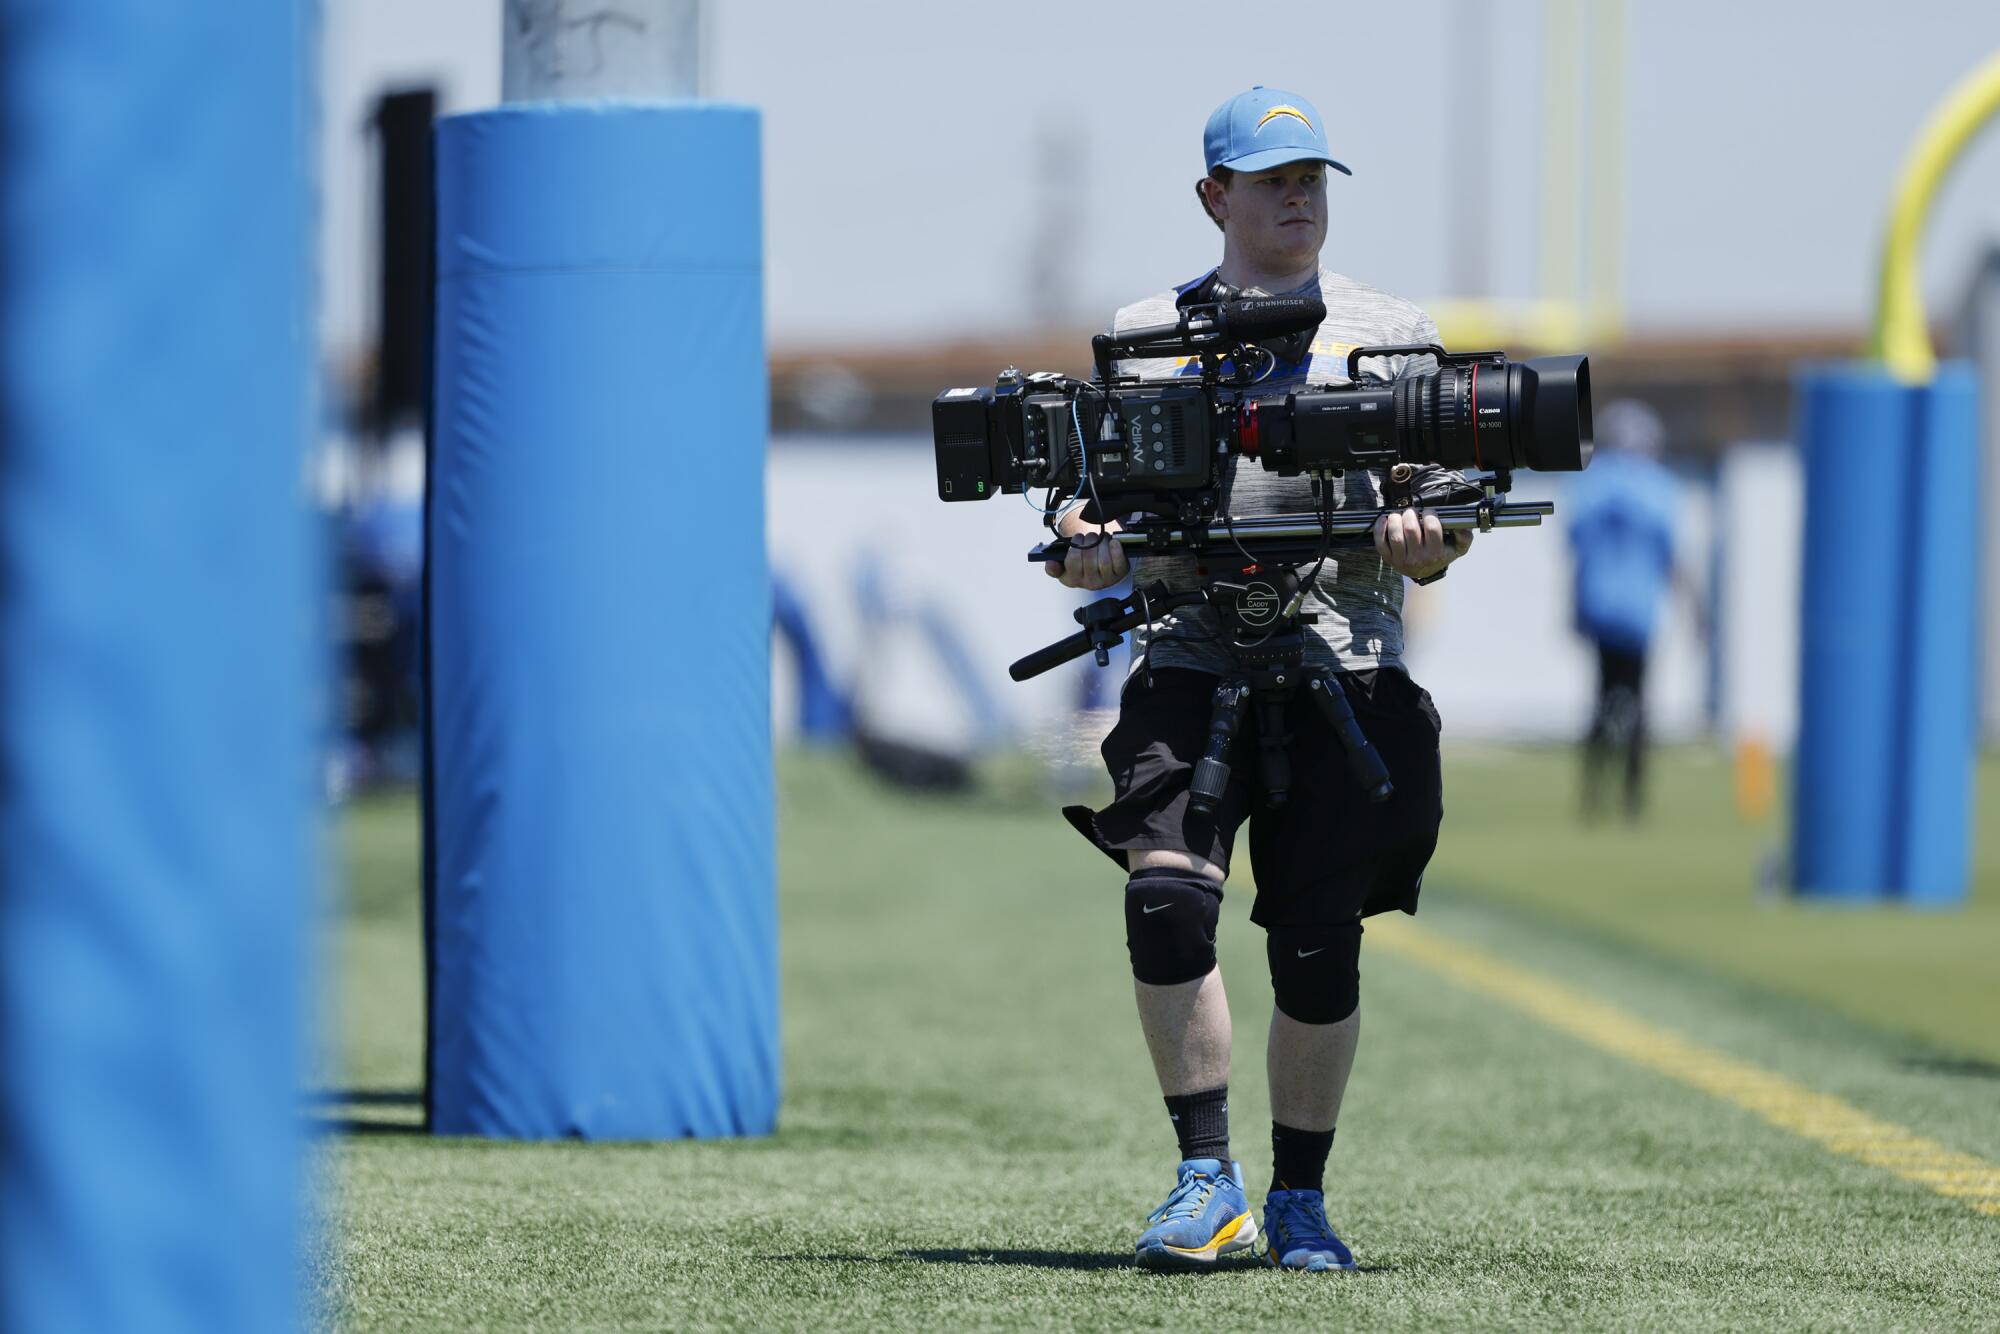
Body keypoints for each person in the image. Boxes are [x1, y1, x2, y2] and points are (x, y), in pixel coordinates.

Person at [1046, 86, 1471, 1271]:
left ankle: (1297, 1197)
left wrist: (1427, 540)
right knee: (1165, 894)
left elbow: (1444, 517)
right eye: (1273, 177)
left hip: (1342, 664)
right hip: (1186, 653)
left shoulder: (1389, 328)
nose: (1298, 196)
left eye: (1312, 178)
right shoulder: (1145, 331)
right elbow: (1089, 515)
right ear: (1212, 196)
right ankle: (1202, 1177)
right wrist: (1088, 547)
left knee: (1315, 943)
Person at [1563, 398, 1682, 820]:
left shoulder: (1595, 483)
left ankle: (1594, 794)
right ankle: (1632, 798)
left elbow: (1574, 544)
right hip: (1638, 612)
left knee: (1600, 698)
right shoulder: (1658, 486)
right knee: (1636, 702)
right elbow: (1672, 556)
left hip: (1600, 609)